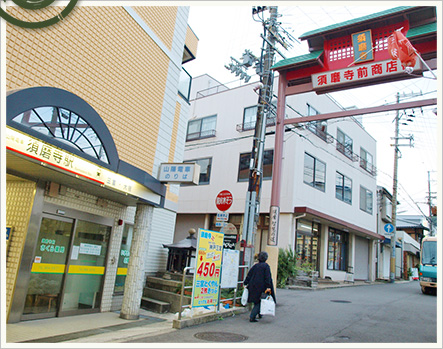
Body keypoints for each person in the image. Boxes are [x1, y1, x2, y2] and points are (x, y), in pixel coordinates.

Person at [243, 251, 276, 322]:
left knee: (256, 301)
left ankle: (260, 314)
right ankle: (252, 316)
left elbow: (249, 275)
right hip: (261, 287)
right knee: (259, 301)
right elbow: (268, 277)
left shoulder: (255, 266)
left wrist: (245, 283)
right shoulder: (266, 266)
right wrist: (268, 287)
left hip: (253, 286)